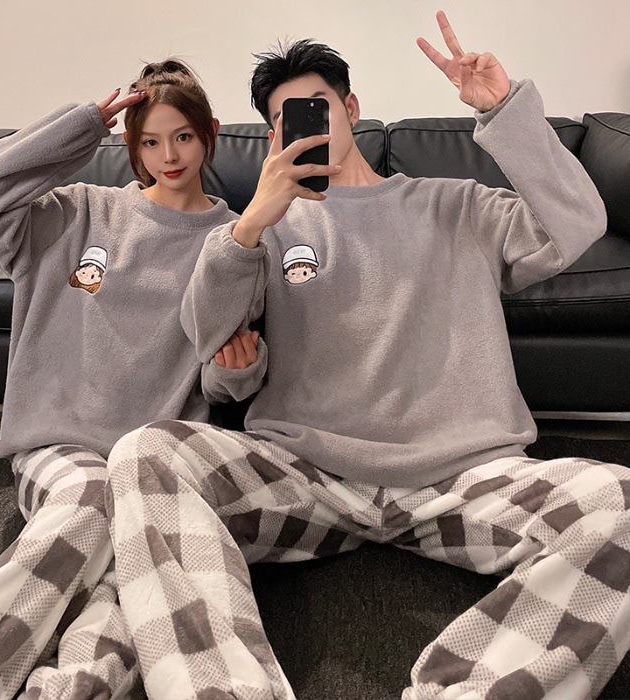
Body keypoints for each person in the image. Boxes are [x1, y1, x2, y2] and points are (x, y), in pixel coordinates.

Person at [105, 12, 630, 700]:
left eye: (318, 106)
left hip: (460, 480)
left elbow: (578, 223)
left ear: (351, 108)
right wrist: (253, 220)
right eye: (286, 118)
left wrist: (503, 111)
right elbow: (207, 335)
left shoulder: (457, 206)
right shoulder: (263, 227)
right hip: (309, 480)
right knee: (144, 453)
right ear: (272, 137)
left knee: (623, 508)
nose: (308, 124)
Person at [0, 60, 261, 699]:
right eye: (150, 141)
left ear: (211, 134)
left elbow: (224, 387)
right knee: (89, 499)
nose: (169, 156)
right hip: (59, 449)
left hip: (154, 466)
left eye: (183, 137)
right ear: (129, 142)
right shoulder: (74, 212)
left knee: (123, 579)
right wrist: (81, 126)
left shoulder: (236, 243)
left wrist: (237, 372)